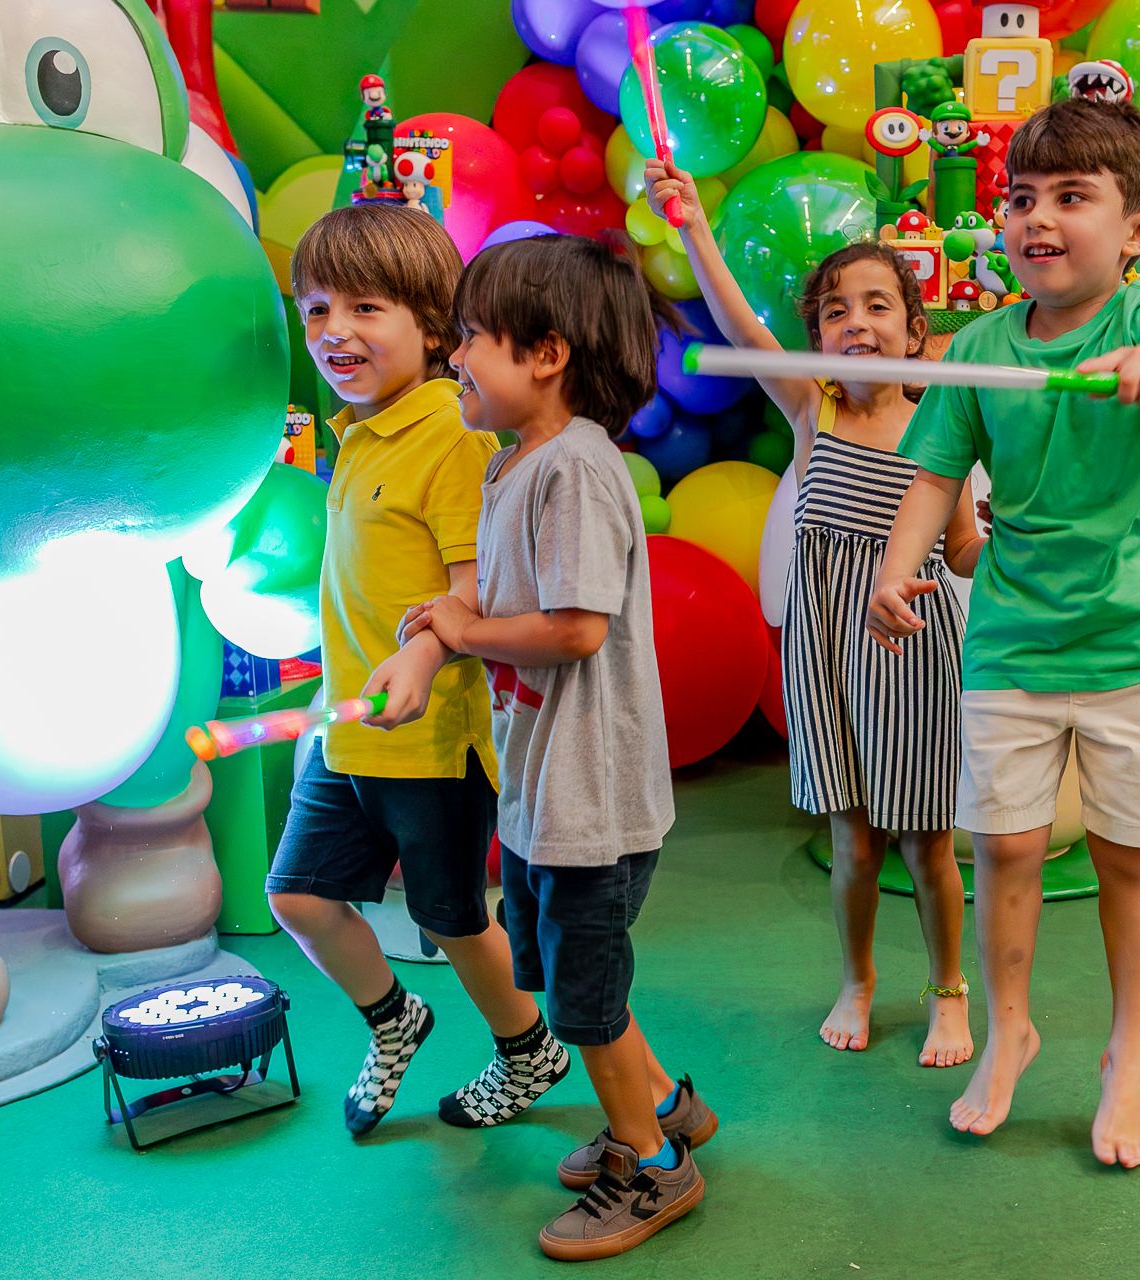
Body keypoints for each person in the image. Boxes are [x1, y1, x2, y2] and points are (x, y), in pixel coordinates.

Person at [866, 98, 1140, 1168]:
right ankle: (1009, 1032)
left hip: (1139, 646)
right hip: (1010, 637)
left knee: (1131, 859)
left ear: (1137, 230)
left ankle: (1127, 1061)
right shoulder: (984, 343)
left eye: (1069, 198)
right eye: (1020, 198)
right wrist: (898, 563)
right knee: (1003, 842)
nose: (1034, 218)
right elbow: (933, 468)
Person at [385, 235, 712, 1261]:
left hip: (592, 803)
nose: (455, 357)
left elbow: (573, 625)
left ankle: (653, 1161)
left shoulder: (579, 467)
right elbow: (503, 588)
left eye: (473, 337)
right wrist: (446, 614)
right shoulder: (515, 464)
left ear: (548, 354)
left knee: (586, 1004)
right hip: (543, 791)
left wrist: (466, 635)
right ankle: (669, 1110)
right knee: (570, 979)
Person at [646, 156, 983, 1066]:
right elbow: (737, 321)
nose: (856, 322)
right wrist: (692, 229)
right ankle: (858, 979)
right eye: (836, 309)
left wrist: (995, 536)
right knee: (852, 840)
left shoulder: (939, 424)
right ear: (817, 340)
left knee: (925, 844)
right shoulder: (811, 406)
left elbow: (956, 552)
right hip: (827, 641)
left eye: (878, 305)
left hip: (911, 645)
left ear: (916, 333)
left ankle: (949, 989)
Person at [266, 203, 568, 1139]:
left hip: (431, 736)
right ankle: (394, 1018)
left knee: (451, 917)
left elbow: (470, 597)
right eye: (316, 309)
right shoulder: (356, 431)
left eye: (365, 307)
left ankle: (531, 1051)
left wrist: (426, 651)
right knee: (297, 895)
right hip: (346, 722)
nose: (334, 332)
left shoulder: (452, 435)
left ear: (434, 328)